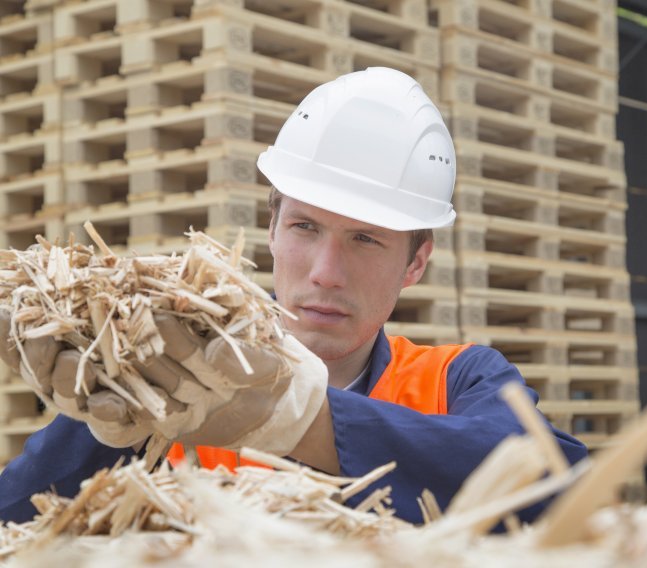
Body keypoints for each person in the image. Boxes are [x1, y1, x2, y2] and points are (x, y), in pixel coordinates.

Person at [0, 67, 586, 525]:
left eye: (366, 239)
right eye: (306, 228)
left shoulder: (455, 379)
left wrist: (294, 419)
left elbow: (556, 482)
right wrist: (95, 432)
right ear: (273, 230)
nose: (327, 272)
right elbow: (15, 521)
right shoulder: (175, 378)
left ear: (416, 262)